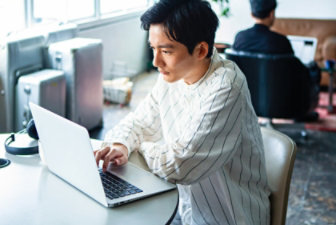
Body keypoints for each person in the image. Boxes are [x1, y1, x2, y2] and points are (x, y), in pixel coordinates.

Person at [94, 0, 270, 224]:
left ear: (201, 50)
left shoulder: (227, 86)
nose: (156, 61)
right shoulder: (170, 76)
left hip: (230, 216)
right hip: (186, 209)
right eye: (153, 49)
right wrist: (121, 144)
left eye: (166, 51)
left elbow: (180, 165)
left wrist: (141, 146)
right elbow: (140, 122)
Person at [233, 0, 320, 121]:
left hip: (248, 100)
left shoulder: (240, 38)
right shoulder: (280, 41)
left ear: (252, 14)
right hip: (283, 103)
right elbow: (297, 73)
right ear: (272, 13)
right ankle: (302, 114)